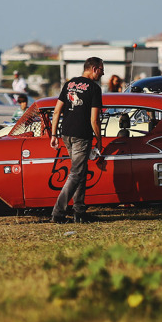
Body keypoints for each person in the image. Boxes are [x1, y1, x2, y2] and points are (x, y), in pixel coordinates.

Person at [49, 57, 104, 224]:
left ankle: (79, 211)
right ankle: (58, 213)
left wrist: (54, 134)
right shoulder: (94, 88)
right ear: (94, 69)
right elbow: (94, 119)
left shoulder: (69, 84)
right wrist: (99, 140)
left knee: (80, 171)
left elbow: (57, 111)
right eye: (102, 70)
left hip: (66, 133)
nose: (103, 73)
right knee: (76, 174)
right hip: (82, 134)